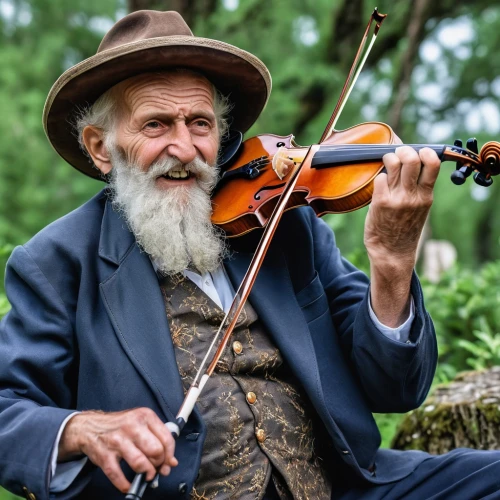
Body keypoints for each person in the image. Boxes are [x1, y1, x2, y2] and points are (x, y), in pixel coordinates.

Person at [1, 9, 499, 500]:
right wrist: (80, 429)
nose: (184, 146)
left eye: (200, 123)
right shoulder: (55, 262)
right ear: (101, 147)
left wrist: (392, 263)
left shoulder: (284, 223)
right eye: (155, 125)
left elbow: (395, 390)